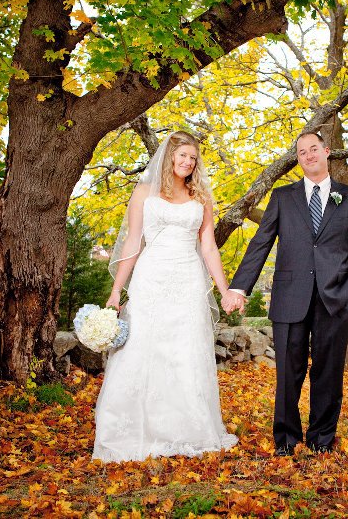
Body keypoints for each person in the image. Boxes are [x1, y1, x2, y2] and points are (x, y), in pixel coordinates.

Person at [93, 131, 238, 462]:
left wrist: (224, 288)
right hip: (151, 279)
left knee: (185, 351)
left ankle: (187, 429)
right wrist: (117, 291)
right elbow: (133, 242)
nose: (188, 162)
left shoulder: (201, 198)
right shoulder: (144, 192)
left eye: (193, 158)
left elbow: (208, 246)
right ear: (169, 156)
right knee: (141, 349)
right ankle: (131, 430)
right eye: (183, 155)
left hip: (187, 279)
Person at [223, 130, 348, 456]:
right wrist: (239, 286)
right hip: (290, 297)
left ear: (326, 151)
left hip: (335, 300)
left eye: (313, 149)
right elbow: (261, 242)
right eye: (301, 152)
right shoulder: (282, 196)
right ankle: (286, 440)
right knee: (288, 373)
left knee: (328, 373)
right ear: (299, 159)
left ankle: (321, 440)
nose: (308, 156)